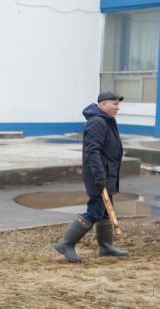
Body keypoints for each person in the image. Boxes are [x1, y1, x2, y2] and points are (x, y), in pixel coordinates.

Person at [55, 90, 129, 262]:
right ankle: (66, 243)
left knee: (105, 211)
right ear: (103, 104)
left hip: (107, 173)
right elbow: (92, 151)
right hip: (99, 175)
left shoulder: (107, 120)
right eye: (115, 103)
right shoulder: (97, 122)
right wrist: (99, 175)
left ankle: (105, 246)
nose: (118, 107)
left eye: (118, 103)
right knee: (95, 211)